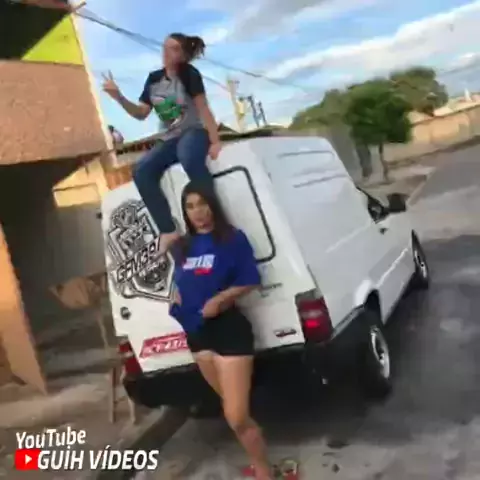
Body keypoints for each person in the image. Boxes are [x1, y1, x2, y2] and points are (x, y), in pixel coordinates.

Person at [169, 181, 273, 480]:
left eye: (202, 204)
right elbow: (181, 281)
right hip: (197, 335)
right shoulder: (183, 246)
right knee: (232, 412)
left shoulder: (232, 239)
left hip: (229, 331)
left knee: (236, 416)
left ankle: (264, 471)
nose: (198, 212)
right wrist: (175, 298)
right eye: (190, 206)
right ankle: (257, 457)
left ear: (213, 205)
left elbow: (251, 279)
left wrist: (221, 299)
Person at [102, 33, 221, 255]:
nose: (166, 53)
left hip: (193, 132)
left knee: (187, 155)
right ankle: (168, 230)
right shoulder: (153, 80)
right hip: (169, 138)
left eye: (173, 49)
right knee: (141, 171)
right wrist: (119, 97)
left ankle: (214, 217)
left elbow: (203, 108)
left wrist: (215, 141)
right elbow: (141, 114)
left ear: (183, 55)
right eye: (165, 48)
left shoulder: (189, 74)